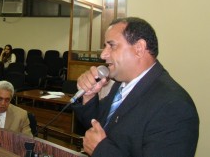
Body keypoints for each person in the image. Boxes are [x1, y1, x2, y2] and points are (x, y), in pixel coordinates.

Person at [72, 17, 199, 157]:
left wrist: (101, 150)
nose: (103, 54)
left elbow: (100, 145)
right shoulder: (120, 86)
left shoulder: (175, 106)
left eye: (111, 45)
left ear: (139, 48)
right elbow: (96, 125)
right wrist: (88, 96)